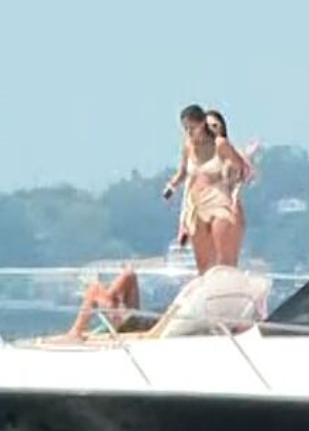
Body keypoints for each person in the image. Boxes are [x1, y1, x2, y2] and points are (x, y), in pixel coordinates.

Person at [163, 105, 254, 273]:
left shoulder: (219, 144)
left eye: (192, 127)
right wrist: (172, 186)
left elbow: (240, 167)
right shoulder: (188, 146)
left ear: (202, 123)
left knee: (223, 260)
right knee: (203, 266)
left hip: (218, 199)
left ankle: (228, 287)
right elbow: (183, 172)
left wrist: (231, 177)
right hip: (196, 204)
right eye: (186, 128)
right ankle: (209, 293)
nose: (189, 132)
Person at [204, 108, 260, 266]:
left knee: (225, 261)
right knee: (220, 261)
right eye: (207, 127)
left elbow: (248, 172)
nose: (211, 130)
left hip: (228, 206)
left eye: (215, 125)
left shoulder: (224, 149)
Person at [65, 267, 145, 338]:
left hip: (129, 323)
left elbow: (128, 274)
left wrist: (107, 293)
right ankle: (75, 332)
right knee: (96, 289)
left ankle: (75, 332)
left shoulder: (129, 275)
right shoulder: (129, 276)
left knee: (94, 289)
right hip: (133, 321)